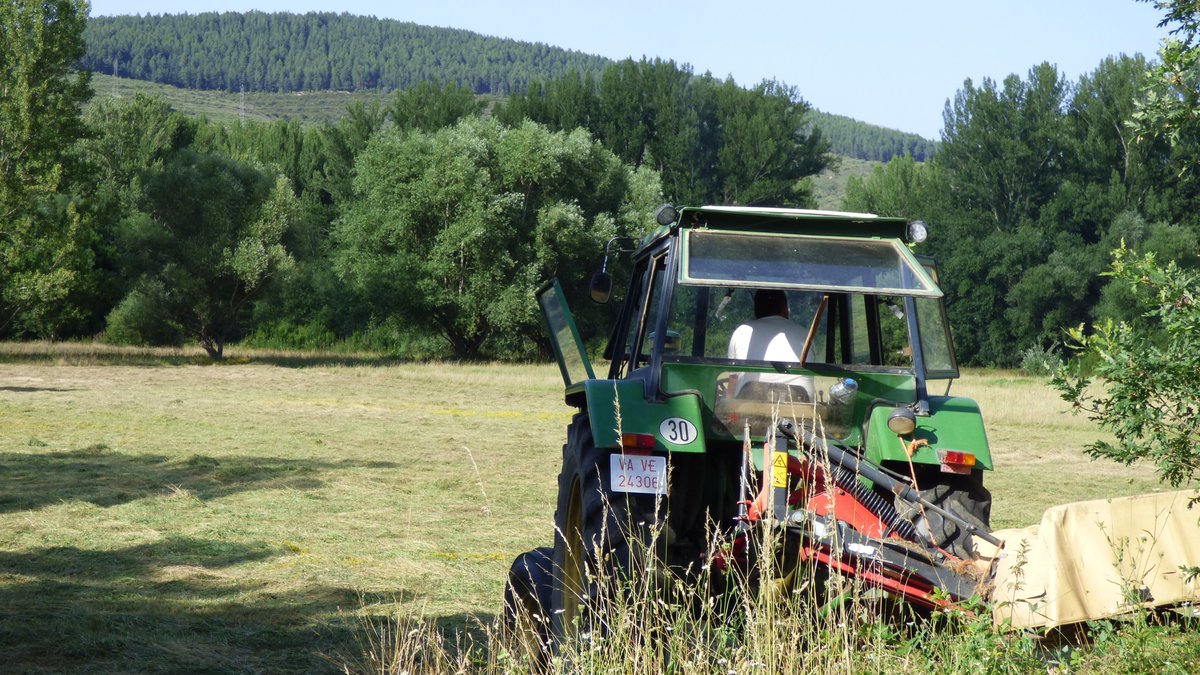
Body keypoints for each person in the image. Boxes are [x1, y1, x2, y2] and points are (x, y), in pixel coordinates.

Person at [727, 289, 814, 402]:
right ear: (784, 308)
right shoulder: (806, 335)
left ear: (757, 310)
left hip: (748, 407)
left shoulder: (741, 332)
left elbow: (733, 381)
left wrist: (726, 404)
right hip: (802, 409)